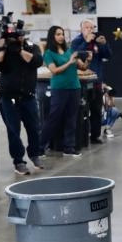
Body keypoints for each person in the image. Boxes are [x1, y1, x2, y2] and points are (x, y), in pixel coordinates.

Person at [0, 29, 44, 175]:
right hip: (8, 99)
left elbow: (37, 62)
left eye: (19, 36)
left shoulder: (32, 47)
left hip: (28, 97)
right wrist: (3, 50)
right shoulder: (4, 51)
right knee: (14, 131)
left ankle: (35, 154)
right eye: (13, 37)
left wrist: (19, 50)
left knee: (34, 128)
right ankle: (18, 161)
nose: (17, 39)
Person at [39, 26, 88, 157]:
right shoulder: (49, 53)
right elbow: (54, 70)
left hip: (74, 87)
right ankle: (40, 147)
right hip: (59, 89)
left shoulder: (69, 50)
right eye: (58, 34)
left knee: (71, 119)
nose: (61, 36)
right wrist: (70, 62)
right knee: (53, 118)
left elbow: (82, 67)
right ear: (52, 36)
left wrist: (88, 59)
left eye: (62, 34)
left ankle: (69, 147)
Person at [70, 20, 111, 144]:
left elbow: (108, 56)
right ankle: (81, 135)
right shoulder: (77, 41)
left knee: (96, 109)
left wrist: (104, 44)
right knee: (82, 109)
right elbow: (75, 56)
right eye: (87, 27)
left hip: (96, 80)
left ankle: (95, 135)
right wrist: (86, 42)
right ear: (81, 29)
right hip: (81, 81)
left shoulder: (97, 41)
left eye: (92, 27)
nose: (90, 30)